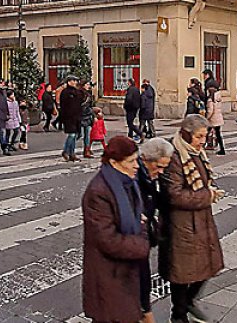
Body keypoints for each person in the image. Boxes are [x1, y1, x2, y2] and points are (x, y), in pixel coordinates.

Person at [161, 114, 224, 323]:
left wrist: (209, 190)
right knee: (182, 273)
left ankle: (188, 301)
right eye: (199, 137)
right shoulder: (174, 156)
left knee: (207, 266)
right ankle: (178, 315)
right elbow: (174, 194)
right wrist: (207, 195)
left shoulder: (196, 152)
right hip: (181, 224)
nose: (202, 141)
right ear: (187, 134)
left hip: (200, 219)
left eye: (204, 136)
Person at [81, 136, 150, 323]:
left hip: (124, 272)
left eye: (137, 159)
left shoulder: (128, 183)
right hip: (108, 274)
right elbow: (107, 240)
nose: (136, 166)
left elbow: (139, 216)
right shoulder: (98, 192)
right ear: (113, 162)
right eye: (131, 161)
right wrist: (143, 242)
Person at [136, 138, 173, 323]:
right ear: (145, 159)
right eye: (158, 166)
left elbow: (158, 199)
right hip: (134, 240)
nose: (161, 172)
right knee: (140, 278)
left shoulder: (150, 177)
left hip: (143, 237)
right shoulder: (135, 177)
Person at [60, 76, 85, 161]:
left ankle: (72, 153)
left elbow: (81, 100)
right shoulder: (65, 92)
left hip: (77, 117)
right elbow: (63, 106)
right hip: (68, 117)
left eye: (75, 80)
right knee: (72, 135)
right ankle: (65, 151)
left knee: (75, 136)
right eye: (73, 81)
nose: (75, 82)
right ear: (69, 82)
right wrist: (63, 117)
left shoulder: (77, 92)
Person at [206, 85, 226, 155]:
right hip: (218, 118)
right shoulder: (218, 100)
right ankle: (222, 148)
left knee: (206, 133)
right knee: (218, 134)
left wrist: (206, 118)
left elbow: (210, 111)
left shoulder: (210, 100)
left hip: (212, 119)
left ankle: (200, 148)